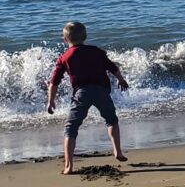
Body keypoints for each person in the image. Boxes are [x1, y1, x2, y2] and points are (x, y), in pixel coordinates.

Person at [46, 22, 129, 175]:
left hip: (81, 94)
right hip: (101, 92)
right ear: (85, 36)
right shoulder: (96, 51)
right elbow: (112, 67)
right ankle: (117, 151)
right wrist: (121, 79)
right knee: (111, 120)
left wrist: (51, 101)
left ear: (65, 39)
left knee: (71, 128)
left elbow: (54, 82)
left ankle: (69, 166)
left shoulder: (64, 57)